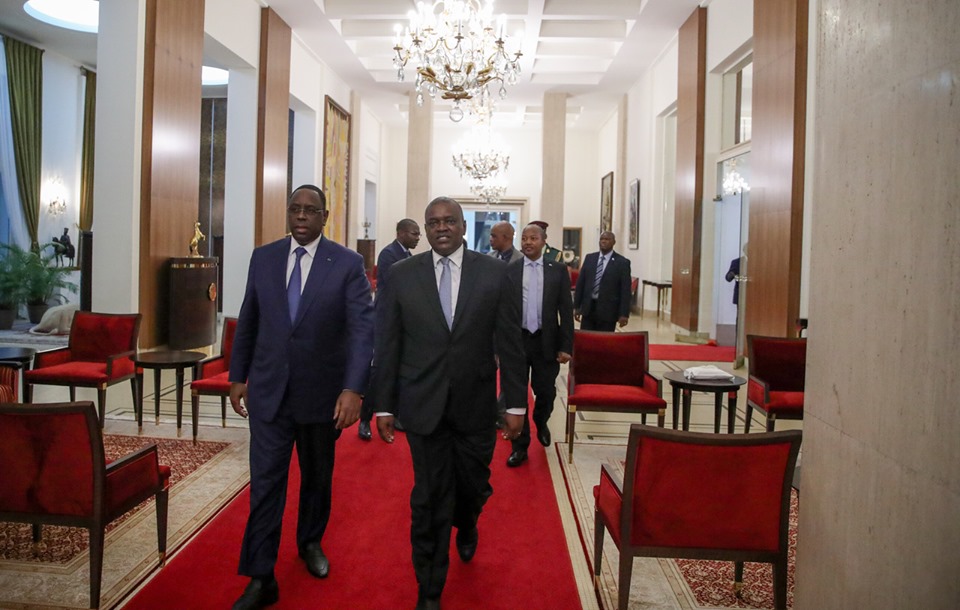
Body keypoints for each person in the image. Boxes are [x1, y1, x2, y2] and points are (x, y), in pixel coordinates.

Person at [373, 196, 526, 610]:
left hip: (476, 408)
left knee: (472, 488)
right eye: (433, 222)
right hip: (423, 407)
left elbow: (511, 343)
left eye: (450, 221)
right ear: (425, 229)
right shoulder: (402, 275)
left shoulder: (495, 273)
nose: (442, 228)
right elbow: (388, 342)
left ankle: (469, 520)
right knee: (429, 497)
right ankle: (430, 589)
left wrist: (515, 404)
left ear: (462, 226)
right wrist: (383, 404)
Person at [228, 184, 374, 610]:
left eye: (311, 211)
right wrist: (238, 375)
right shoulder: (264, 257)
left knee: (316, 480)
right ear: (288, 214)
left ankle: (310, 541)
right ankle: (259, 576)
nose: (302, 217)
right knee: (266, 485)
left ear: (324, 217)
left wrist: (354, 388)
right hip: (269, 394)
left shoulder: (347, 264)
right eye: (296, 209)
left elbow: (362, 331)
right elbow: (249, 317)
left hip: (322, 397)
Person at [504, 223, 574, 467]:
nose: (527, 242)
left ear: (544, 242)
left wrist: (566, 346)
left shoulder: (557, 270)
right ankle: (519, 447)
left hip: (546, 341)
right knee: (516, 394)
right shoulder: (510, 270)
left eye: (533, 238)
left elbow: (566, 311)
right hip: (518, 341)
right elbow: (502, 312)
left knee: (546, 390)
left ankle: (541, 419)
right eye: (524, 238)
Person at [358, 218, 421, 441]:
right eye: (414, 233)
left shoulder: (407, 255)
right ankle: (364, 418)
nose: (418, 237)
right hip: (386, 321)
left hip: (404, 321)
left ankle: (396, 414)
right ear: (402, 232)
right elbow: (398, 286)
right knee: (380, 371)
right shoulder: (389, 254)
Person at [574, 231, 631, 331]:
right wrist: (577, 306)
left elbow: (625, 290)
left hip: (608, 311)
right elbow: (581, 284)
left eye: (607, 239)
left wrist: (624, 314)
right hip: (588, 308)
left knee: (604, 342)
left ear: (614, 242)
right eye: (601, 239)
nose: (603, 241)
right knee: (586, 340)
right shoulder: (590, 258)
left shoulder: (622, 263)